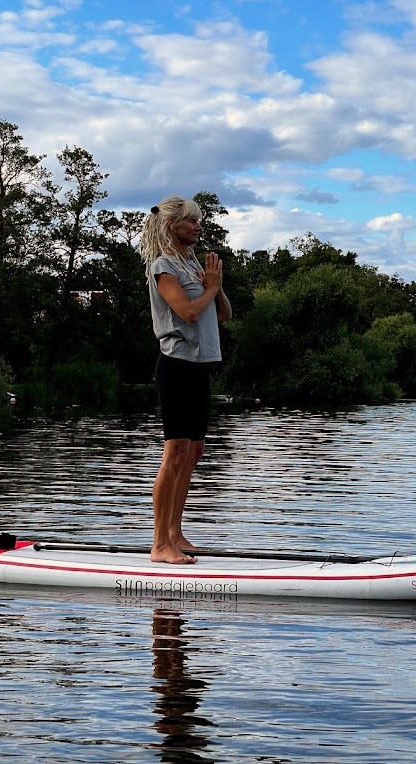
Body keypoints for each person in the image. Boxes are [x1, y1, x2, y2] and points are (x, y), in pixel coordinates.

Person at [140, 196, 232, 564]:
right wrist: (207, 290)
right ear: (172, 225)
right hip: (176, 366)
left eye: (198, 221)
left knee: (194, 451)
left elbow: (223, 313)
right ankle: (159, 543)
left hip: (200, 366)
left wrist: (216, 286)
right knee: (175, 452)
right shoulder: (163, 267)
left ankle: (176, 533)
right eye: (191, 221)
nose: (198, 226)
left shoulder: (192, 265)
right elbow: (187, 312)